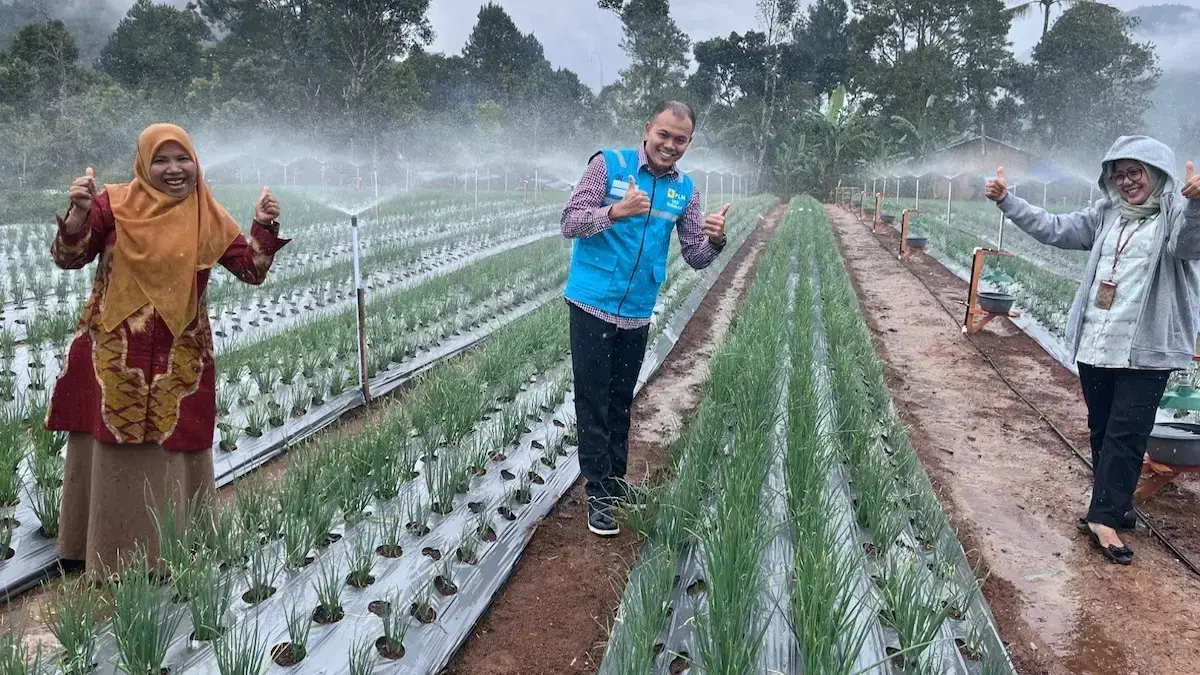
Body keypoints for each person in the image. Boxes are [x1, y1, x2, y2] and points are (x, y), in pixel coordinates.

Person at [46, 123, 290, 574]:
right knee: (113, 446)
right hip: (115, 356)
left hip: (180, 360)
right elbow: (68, 257)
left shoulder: (206, 215)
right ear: (144, 164)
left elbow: (251, 269)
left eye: (183, 159)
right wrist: (78, 215)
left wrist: (263, 223)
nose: (174, 169)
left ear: (196, 163)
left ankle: (172, 553)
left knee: (173, 449)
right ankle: (104, 553)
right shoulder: (112, 205)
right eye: (161, 160)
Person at [986, 135, 1200, 565]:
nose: (1126, 182)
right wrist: (1008, 201)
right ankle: (1117, 506)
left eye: (1135, 172)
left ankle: (1102, 518)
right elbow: (1055, 229)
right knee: (1103, 429)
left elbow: (1189, 246)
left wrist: (1197, 204)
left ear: (1156, 171)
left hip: (1146, 350)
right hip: (1096, 343)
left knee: (1127, 432)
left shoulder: (1175, 213)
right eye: (1118, 175)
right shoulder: (1107, 213)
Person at [561, 101, 731, 537]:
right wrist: (615, 212)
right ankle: (598, 489)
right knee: (593, 398)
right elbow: (571, 221)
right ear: (648, 130)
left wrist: (716, 241)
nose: (670, 146)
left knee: (620, 398)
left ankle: (614, 482)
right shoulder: (609, 165)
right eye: (664, 135)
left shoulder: (685, 190)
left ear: (689, 143)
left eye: (681, 140)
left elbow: (694, 255)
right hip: (592, 301)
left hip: (636, 311)